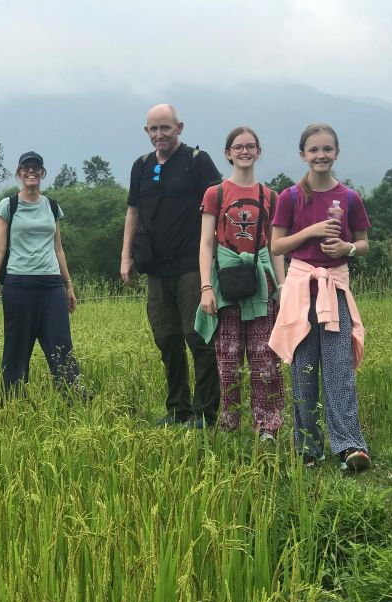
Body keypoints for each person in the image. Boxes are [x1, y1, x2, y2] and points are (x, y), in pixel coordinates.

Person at [268, 123, 371, 472]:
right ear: (303, 155)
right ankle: (308, 447)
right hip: (301, 290)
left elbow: (363, 243)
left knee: (340, 369)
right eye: (314, 150)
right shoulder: (290, 197)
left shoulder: (350, 198)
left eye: (327, 149)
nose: (321, 155)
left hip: (335, 290)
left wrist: (347, 248)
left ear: (337, 153)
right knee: (304, 368)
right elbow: (277, 246)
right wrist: (311, 231)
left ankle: (350, 445)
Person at [121, 104, 222, 427]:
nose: (160, 134)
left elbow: (218, 207)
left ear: (180, 127)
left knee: (198, 338)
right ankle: (178, 408)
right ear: (146, 132)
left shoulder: (197, 162)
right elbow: (133, 212)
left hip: (192, 265)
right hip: (155, 267)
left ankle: (205, 412)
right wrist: (126, 256)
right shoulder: (141, 165)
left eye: (166, 128)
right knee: (166, 339)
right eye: (154, 129)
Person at [195, 127, 286, 440]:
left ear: (258, 151)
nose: (244, 151)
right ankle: (229, 424)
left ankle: (268, 427)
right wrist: (206, 287)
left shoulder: (270, 196)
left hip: (262, 285)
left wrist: (283, 288)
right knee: (228, 358)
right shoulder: (215, 194)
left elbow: (275, 246)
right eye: (238, 147)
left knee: (266, 359)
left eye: (250, 146)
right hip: (225, 283)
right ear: (228, 153)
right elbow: (206, 244)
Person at [0, 151, 83, 396]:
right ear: (19, 173)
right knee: (17, 345)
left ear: (42, 173)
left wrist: (68, 286)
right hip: (18, 284)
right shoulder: (8, 205)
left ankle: (74, 398)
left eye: (36, 168)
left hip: (52, 285)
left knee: (61, 343)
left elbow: (58, 248)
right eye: (26, 168)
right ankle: (13, 401)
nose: (31, 172)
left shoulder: (52, 206)